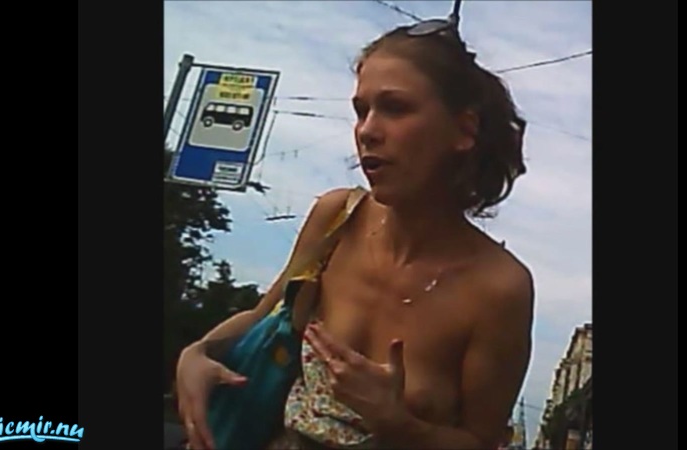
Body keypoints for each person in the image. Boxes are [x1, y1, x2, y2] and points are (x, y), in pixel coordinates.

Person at [175, 15, 534, 450]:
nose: (367, 131)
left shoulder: (499, 288)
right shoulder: (337, 217)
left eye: (395, 108)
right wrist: (198, 354)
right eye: (362, 111)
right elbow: (263, 316)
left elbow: (481, 441)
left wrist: (399, 424)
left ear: (464, 130)